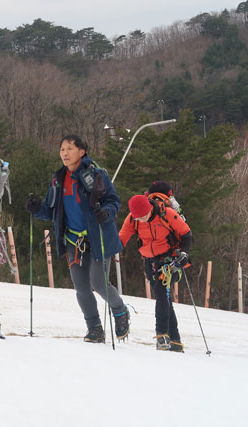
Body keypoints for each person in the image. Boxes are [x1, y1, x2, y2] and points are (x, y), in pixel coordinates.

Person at [26, 134, 130, 343]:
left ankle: (120, 311)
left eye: (70, 149)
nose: (64, 153)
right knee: (81, 288)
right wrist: (37, 209)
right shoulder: (58, 179)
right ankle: (94, 329)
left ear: (82, 152)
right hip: (73, 241)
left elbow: (113, 201)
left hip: (98, 238)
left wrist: (107, 212)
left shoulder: (97, 175)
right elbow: (52, 211)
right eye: (62, 149)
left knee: (99, 284)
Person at [119, 194, 192, 351]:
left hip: (170, 260)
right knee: (163, 298)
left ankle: (161, 336)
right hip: (150, 262)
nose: (142, 219)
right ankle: (176, 341)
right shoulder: (132, 219)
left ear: (150, 208)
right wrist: (107, 249)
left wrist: (184, 254)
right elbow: (121, 239)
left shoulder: (167, 214)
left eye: (144, 216)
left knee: (161, 291)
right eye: (139, 218)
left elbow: (187, 234)